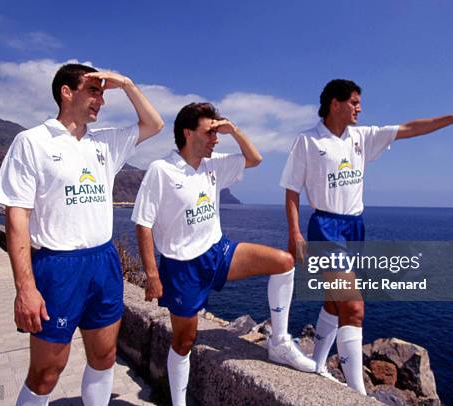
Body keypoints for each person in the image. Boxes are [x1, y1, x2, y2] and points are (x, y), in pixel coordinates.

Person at [280, 79, 453, 395]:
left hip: (355, 227)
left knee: (333, 300)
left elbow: (410, 128)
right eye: (354, 102)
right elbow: (291, 188)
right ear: (335, 103)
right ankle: (358, 393)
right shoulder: (309, 141)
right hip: (326, 228)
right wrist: (295, 232)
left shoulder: (362, 137)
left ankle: (317, 364)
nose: (360, 108)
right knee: (353, 307)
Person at [0, 63, 164, 406]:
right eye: (93, 91)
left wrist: (127, 82)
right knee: (47, 372)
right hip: (57, 266)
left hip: (103, 262)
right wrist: (25, 288)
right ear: (66, 93)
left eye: (103, 93)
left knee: (103, 357)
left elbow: (154, 124)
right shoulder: (32, 142)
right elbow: (17, 219)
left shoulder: (104, 144)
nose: (101, 100)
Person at [132, 102, 316, 406]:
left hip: (217, 251)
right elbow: (143, 224)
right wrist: (152, 275)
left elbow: (254, 159)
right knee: (183, 341)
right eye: (211, 132)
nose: (216, 139)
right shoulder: (161, 170)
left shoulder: (213, 163)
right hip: (182, 267)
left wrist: (234, 131)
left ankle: (279, 342)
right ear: (189, 133)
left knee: (283, 263)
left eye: (218, 132)